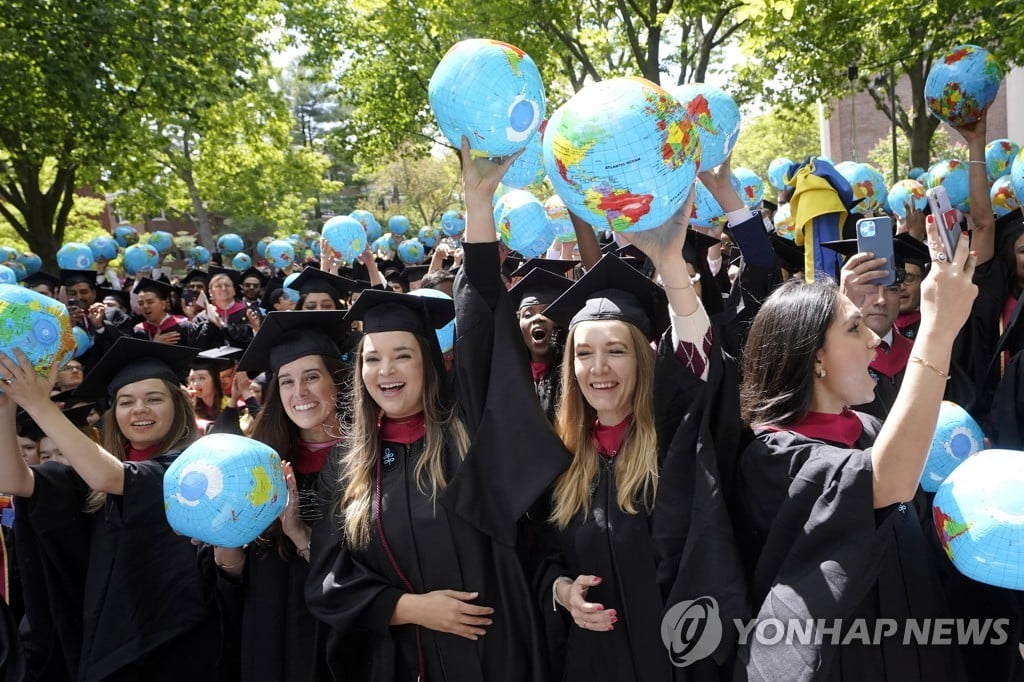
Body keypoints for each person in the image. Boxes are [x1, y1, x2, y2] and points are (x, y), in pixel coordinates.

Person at [305, 140, 570, 681]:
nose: (386, 370)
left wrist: (478, 202)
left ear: (429, 363)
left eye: (402, 355)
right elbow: (328, 578)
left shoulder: (464, 433)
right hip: (403, 663)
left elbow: (480, 329)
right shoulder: (347, 468)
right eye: (373, 359)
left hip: (498, 655)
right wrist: (409, 608)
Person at [731, 214, 978, 678]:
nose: (872, 342)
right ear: (814, 356)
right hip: (844, 660)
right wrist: (937, 330)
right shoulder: (773, 456)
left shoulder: (867, 428)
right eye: (853, 329)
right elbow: (884, 483)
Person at [0, 338, 222, 680]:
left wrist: (39, 405)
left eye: (154, 399)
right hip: (107, 641)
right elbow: (15, 481)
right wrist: (6, 408)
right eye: (126, 401)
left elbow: (113, 478)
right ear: (113, 412)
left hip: (175, 645)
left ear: (178, 406)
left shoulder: (196, 471)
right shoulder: (91, 474)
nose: (139, 409)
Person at [208, 310, 354, 681]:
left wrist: (300, 534)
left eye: (311, 377)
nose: (299, 393)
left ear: (338, 382)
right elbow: (234, 576)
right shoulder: (256, 466)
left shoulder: (368, 461)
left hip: (342, 636)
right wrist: (224, 540)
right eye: (286, 382)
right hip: (267, 632)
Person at [132, 277, 215, 347]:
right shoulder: (138, 331)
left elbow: (200, 348)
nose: (145, 306)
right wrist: (154, 345)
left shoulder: (184, 326)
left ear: (163, 304)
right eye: (141, 303)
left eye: (150, 302)